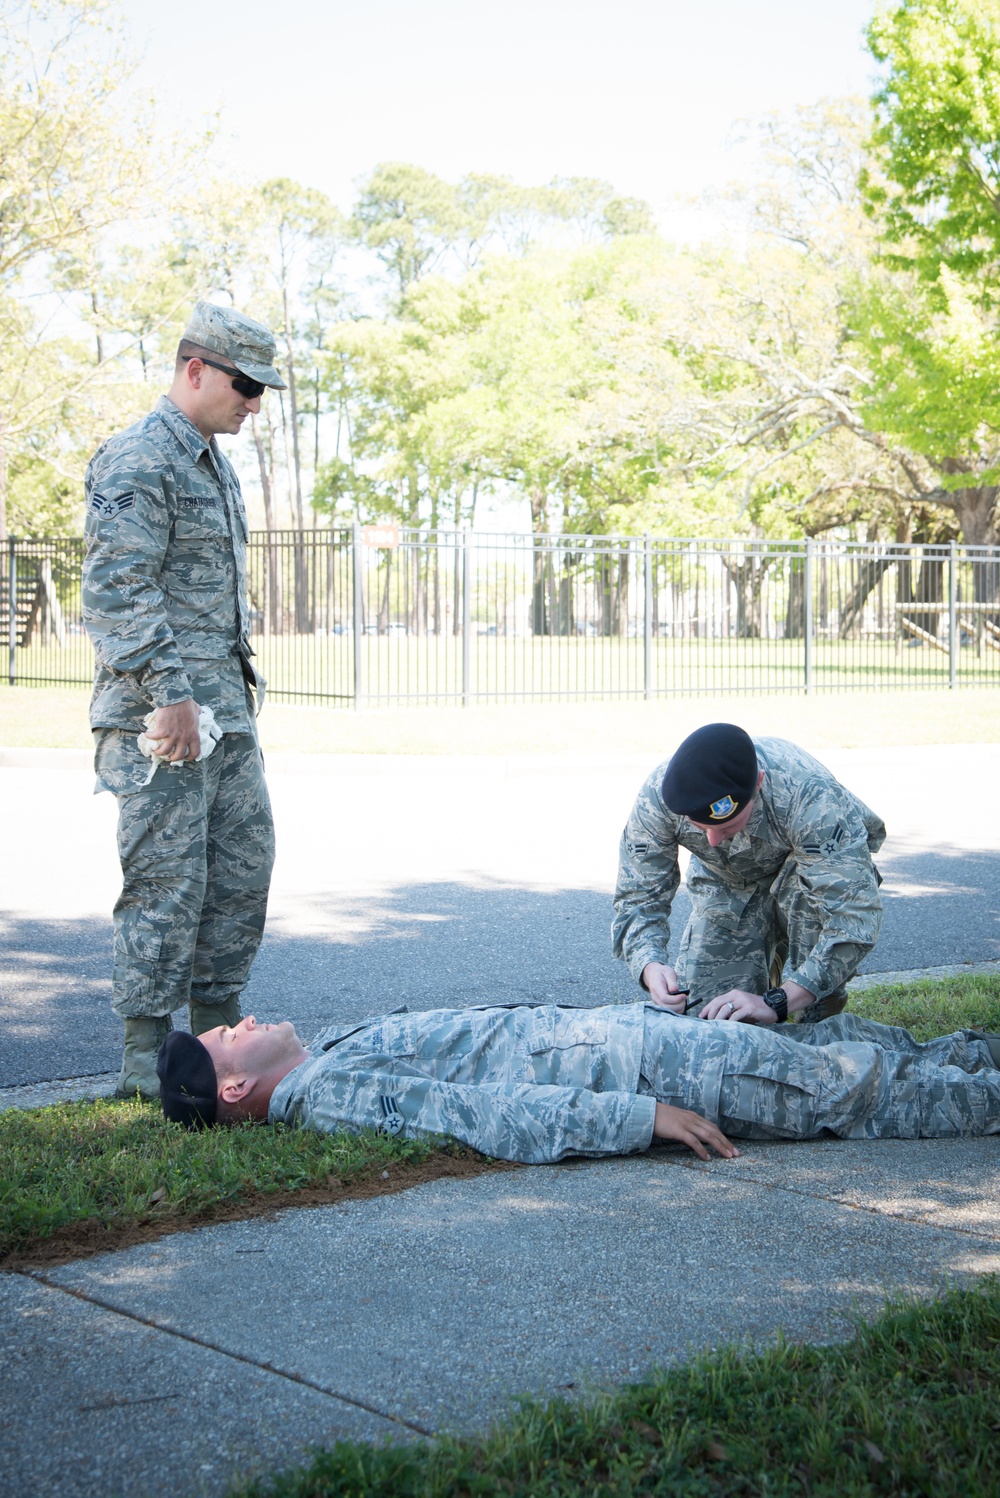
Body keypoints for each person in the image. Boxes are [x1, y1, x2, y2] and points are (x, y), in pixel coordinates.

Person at [82, 301, 285, 1099]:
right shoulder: (139, 458)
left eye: (262, 388)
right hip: (162, 721)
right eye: (244, 383)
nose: (254, 401)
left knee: (241, 873)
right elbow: (116, 588)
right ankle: (142, 1059)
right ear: (194, 369)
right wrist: (168, 694)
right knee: (167, 882)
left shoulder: (212, 463)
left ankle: (216, 1037)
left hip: (224, 717)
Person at [156, 1003, 1000, 1162]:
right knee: (872, 1089)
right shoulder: (329, 1095)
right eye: (231, 1036)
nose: (248, 1020)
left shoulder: (321, 1062)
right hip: (651, 1070)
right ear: (233, 1090)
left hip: (640, 1038)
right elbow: (482, 1114)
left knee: (861, 1044)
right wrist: (642, 1117)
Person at [612, 723, 886, 1027]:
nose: (713, 841)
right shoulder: (660, 798)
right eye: (701, 829)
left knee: (814, 1028)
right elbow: (638, 898)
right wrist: (649, 965)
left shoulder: (808, 795)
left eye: (726, 826)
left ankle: (812, 1013)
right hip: (729, 886)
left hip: (806, 883)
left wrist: (777, 1002)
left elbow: (852, 919)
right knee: (710, 1019)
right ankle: (764, 967)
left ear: (758, 783)